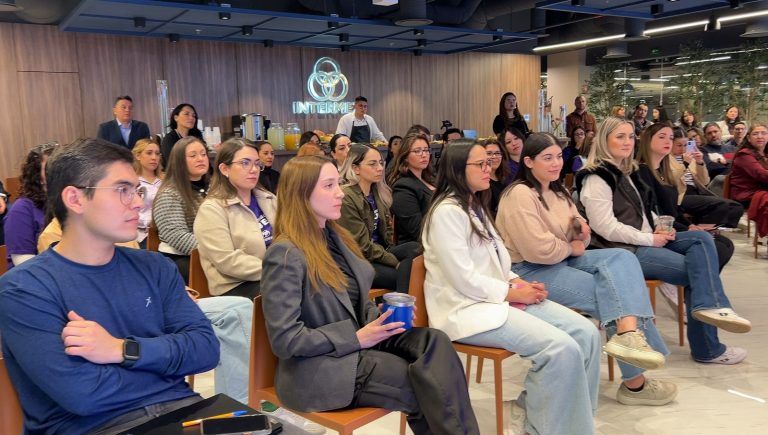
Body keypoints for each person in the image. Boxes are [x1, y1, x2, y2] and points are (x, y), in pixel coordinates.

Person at [0, 138, 219, 434]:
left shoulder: (155, 267)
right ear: (75, 199)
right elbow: (84, 395)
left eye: (137, 189)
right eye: (122, 191)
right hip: (99, 427)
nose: (139, 202)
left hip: (185, 411)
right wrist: (167, 366)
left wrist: (121, 350)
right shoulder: (24, 290)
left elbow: (205, 350)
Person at [260, 155, 480, 434]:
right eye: (328, 186)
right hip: (320, 368)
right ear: (301, 195)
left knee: (434, 340)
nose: (340, 192)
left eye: (337, 183)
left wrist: (382, 317)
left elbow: (354, 305)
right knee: (425, 383)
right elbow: (285, 340)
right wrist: (355, 338)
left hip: (359, 343)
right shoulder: (285, 254)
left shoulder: (335, 237)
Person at [422, 141, 600, 434]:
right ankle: (547, 427)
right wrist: (513, 292)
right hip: (466, 310)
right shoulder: (446, 213)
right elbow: (463, 278)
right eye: (479, 164)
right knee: (560, 348)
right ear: (456, 169)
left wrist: (519, 283)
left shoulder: (474, 204)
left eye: (489, 161)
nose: (488, 168)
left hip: (495, 298)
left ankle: (569, 420)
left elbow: (499, 261)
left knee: (586, 334)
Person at [497, 133, 674, 407]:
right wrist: (572, 246)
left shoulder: (558, 191)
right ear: (529, 161)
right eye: (548, 158)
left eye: (558, 157)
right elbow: (537, 250)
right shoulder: (520, 194)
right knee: (614, 296)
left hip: (562, 259)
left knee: (623, 259)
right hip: (530, 270)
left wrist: (577, 239)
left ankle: (628, 336)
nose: (556, 164)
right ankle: (635, 385)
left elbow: (583, 231)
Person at [575, 117, 752, 366]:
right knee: (698, 272)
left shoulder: (624, 171)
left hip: (646, 238)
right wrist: (650, 237)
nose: (627, 142)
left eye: (630, 136)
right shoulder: (596, 178)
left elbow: (641, 211)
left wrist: (659, 223)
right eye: (619, 137)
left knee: (701, 239)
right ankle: (708, 345)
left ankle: (709, 307)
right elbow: (604, 227)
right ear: (604, 140)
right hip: (626, 250)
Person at [194, 138, 276, 299]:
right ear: (225, 169)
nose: (253, 169)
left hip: (275, 275)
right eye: (245, 163)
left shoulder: (268, 199)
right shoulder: (212, 209)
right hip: (236, 286)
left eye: (257, 164)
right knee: (288, 292)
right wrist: (275, 269)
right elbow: (227, 261)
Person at [337, 144, 418, 293]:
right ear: (356, 168)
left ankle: (402, 306)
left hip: (377, 253)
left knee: (415, 248)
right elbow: (361, 245)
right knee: (404, 275)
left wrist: (391, 257)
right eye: (372, 164)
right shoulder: (347, 197)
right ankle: (402, 309)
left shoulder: (377, 192)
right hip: (357, 260)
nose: (380, 168)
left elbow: (386, 235)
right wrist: (394, 262)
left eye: (381, 163)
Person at [153, 136, 209, 282]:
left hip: (210, 253)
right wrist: (216, 250)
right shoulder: (169, 193)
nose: (200, 159)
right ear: (179, 161)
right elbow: (176, 235)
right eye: (193, 155)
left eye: (203, 154)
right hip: (182, 259)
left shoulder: (213, 188)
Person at [667, 127, 743, 229]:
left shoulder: (690, 156)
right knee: (720, 205)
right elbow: (671, 182)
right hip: (679, 195)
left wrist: (700, 162)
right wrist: (684, 164)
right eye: (679, 145)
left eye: (685, 145)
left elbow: (705, 181)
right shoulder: (666, 159)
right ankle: (702, 232)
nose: (683, 148)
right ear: (671, 144)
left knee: (736, 207)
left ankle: (704, 229)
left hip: (696, 193)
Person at [3, 143, 57, 269]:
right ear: (37, 176)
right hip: (35, 281)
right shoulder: (22, 209)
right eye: (51, 167)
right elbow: (26, 266)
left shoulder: (74, 202)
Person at [388, 133, 436, 244]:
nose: (424, 155)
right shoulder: (403, 187)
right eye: (417, 151)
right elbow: (417, 231)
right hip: (420, 247)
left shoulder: (431, 178)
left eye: (426, 150)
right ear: (405, 156)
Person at [132, 138, 163, 248]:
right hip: (141, 236)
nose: (154, 157)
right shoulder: (132, 182)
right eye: (149, 153)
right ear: (138, 156)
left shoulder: (165, 181)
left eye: (157, 154)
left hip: (165, 233)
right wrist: (150, 222)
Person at [729, 122, 768, 205]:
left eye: (764, 133)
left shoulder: (765, 153)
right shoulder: (744, 155)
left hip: (762, 191)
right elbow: (763, 175)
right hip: (746, 196)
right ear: (749, 138)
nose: (760, 136)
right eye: (755, 134)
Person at [160, 103, 204, 168]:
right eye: (186, 114)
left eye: (193, 115)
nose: (191, 118)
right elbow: (172, 164)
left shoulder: (197, 135)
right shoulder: (169, 139)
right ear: (176, 117)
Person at [481, 137, 510, 217]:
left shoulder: (504, 178)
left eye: (497, 153)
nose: (494, 157)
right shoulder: (482, 182)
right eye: (489, 153)